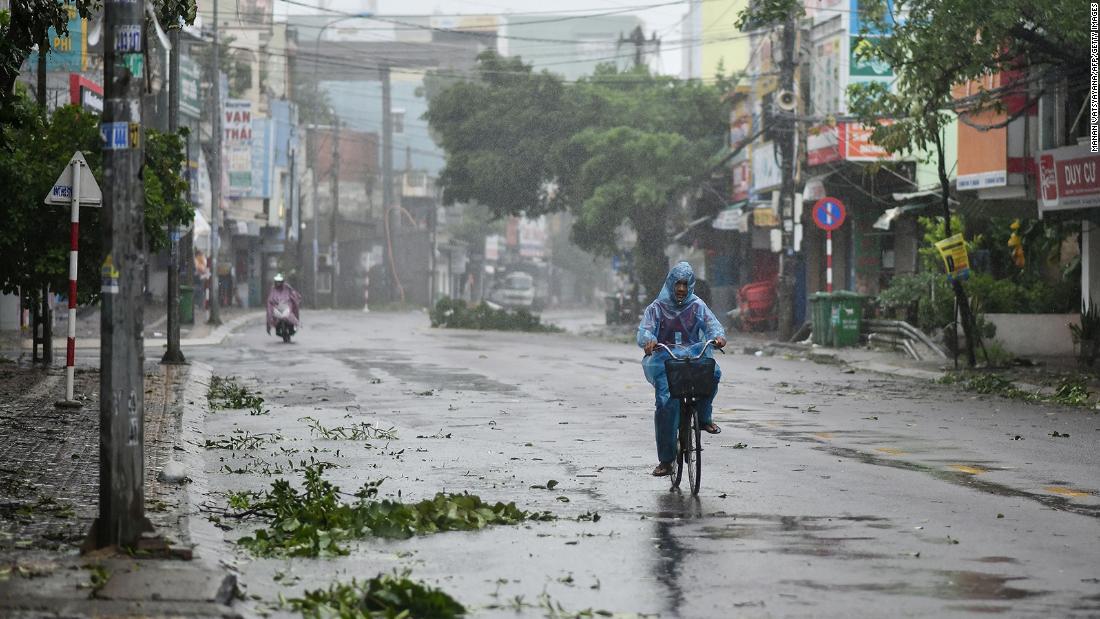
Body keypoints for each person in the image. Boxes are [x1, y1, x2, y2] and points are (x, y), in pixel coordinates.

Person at [637, 262, 727, 477]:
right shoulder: (656, 308)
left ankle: (704, 419)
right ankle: (666, 461)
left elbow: (712, 325)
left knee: (713, 373)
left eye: (685, 284)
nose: (681, 288)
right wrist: (649, 341)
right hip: (665, 360)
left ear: (691, 285)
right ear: (670, 283)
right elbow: (645, 330)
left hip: (693, 357)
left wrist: (719, 337)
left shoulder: (697, 306)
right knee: (666, 403)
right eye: (677, 283)